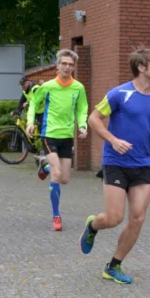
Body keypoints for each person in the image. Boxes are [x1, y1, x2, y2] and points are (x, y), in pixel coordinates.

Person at [79, 47, 150, 284]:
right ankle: (92, 225)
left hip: (142, 164)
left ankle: (113, 266)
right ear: (142, 67)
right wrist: (113, 140)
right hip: (116, 162)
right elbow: (93, 119)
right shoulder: (120, 94)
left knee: (138, 219)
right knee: (114, 218)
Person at [30, 50, 88, 231]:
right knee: (56, 173)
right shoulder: (47, 86)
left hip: (67, 136)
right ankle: (56, 217)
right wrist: (30, 122)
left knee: (64, 178)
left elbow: (82, 108)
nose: (67, 67)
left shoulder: (78, 88)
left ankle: (44, 167)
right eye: (64, 63)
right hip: (49, 134)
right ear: (57, 65)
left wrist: (83, 125)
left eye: (71, 64)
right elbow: (33, 103)